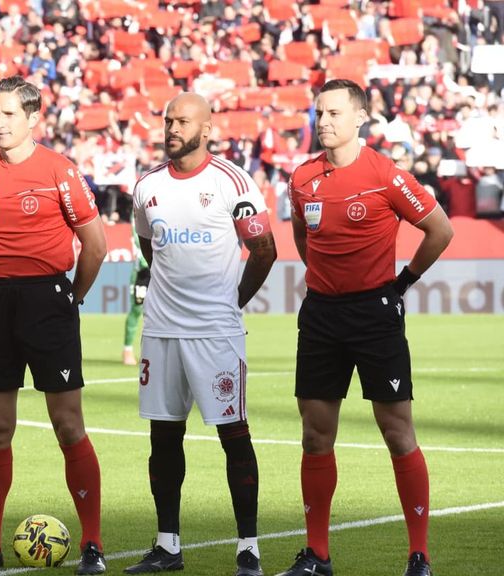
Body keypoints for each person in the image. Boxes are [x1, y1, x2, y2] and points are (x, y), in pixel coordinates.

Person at [276, 80, 453, 576]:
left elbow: (440, 229)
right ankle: (317, 555)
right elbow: (303, 238)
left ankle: (419, 555)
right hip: (320, 315)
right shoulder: (302, 178)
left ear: (360, 118)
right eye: (319, 113)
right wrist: (326, 280)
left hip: (375, 315)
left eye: (334, 112)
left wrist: (403, 283)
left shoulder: (385, 175)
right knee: (315, 436)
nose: (324, 122)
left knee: (397, 432)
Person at [0, 76, 109, 575]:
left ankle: (92, 544)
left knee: (68, 425)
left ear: (33, 118)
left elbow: (96, 246)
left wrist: (72, 297)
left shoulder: (59, 170)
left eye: (8, 114)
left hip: (49, 302)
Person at [125, 93, 276, 576]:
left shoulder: (233, 181)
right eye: (168, 119)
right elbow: (149, 246)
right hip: (162, 331)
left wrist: (232, 301)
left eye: (183, 121)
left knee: (234, 436)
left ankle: (248, 548)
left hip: (215, 333)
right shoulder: (147, 186)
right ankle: (167, 545)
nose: (172, 128)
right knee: (164, 438)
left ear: (207, 129)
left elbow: (265, 249)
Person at [122, 224, 149, 366]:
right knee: (137, 309)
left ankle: (151, 353)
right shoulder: (138, 215)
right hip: (143, 272)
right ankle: (127, 350)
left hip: (162, 269)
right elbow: (138, 239)